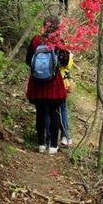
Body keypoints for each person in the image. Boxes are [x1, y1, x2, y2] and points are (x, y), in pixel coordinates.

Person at [26, 16, 69, 154]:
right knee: (54, 113)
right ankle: (53, 147)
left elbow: (28, 60)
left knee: (40, 113)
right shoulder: (58, 42)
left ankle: (41, 144)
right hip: (54, 85)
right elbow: (65, 62)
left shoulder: (36, 40)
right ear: (58, 28)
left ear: (44, 26)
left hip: (37, 83)